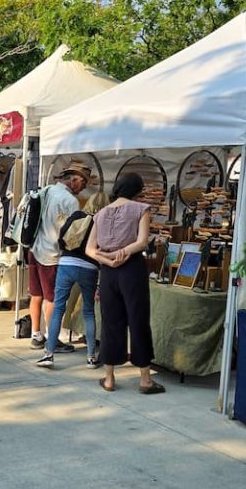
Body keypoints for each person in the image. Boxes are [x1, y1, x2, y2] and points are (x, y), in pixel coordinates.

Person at [86, 172, 165, 395]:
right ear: (138, 190)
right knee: (138, 320)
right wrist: (123, 252)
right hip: (132, 268)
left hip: (108, 271)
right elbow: (141, 243)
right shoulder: (141, 209)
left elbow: (90, 250)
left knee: (111, 322)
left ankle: (109, 378)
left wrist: (107, 259)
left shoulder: (100, 213)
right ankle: (145, 379)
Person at [36, 192, 109, 371]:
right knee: (89, 312)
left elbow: (61, 238)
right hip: (90, 268)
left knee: (58, 308)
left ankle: (48, 354)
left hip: (67, 263)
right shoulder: (103, 223)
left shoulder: (77, 216)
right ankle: (91, 357)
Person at [28, 161, 90, 351]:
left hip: (34, 248)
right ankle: (51, 339)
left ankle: (36, 334)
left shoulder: (46, 190)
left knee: (36, 295)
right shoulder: (70, 201)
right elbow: (73, 232)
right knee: (52, 299)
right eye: (83, 183)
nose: (83, 188)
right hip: (52, 253)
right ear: (74, 180)